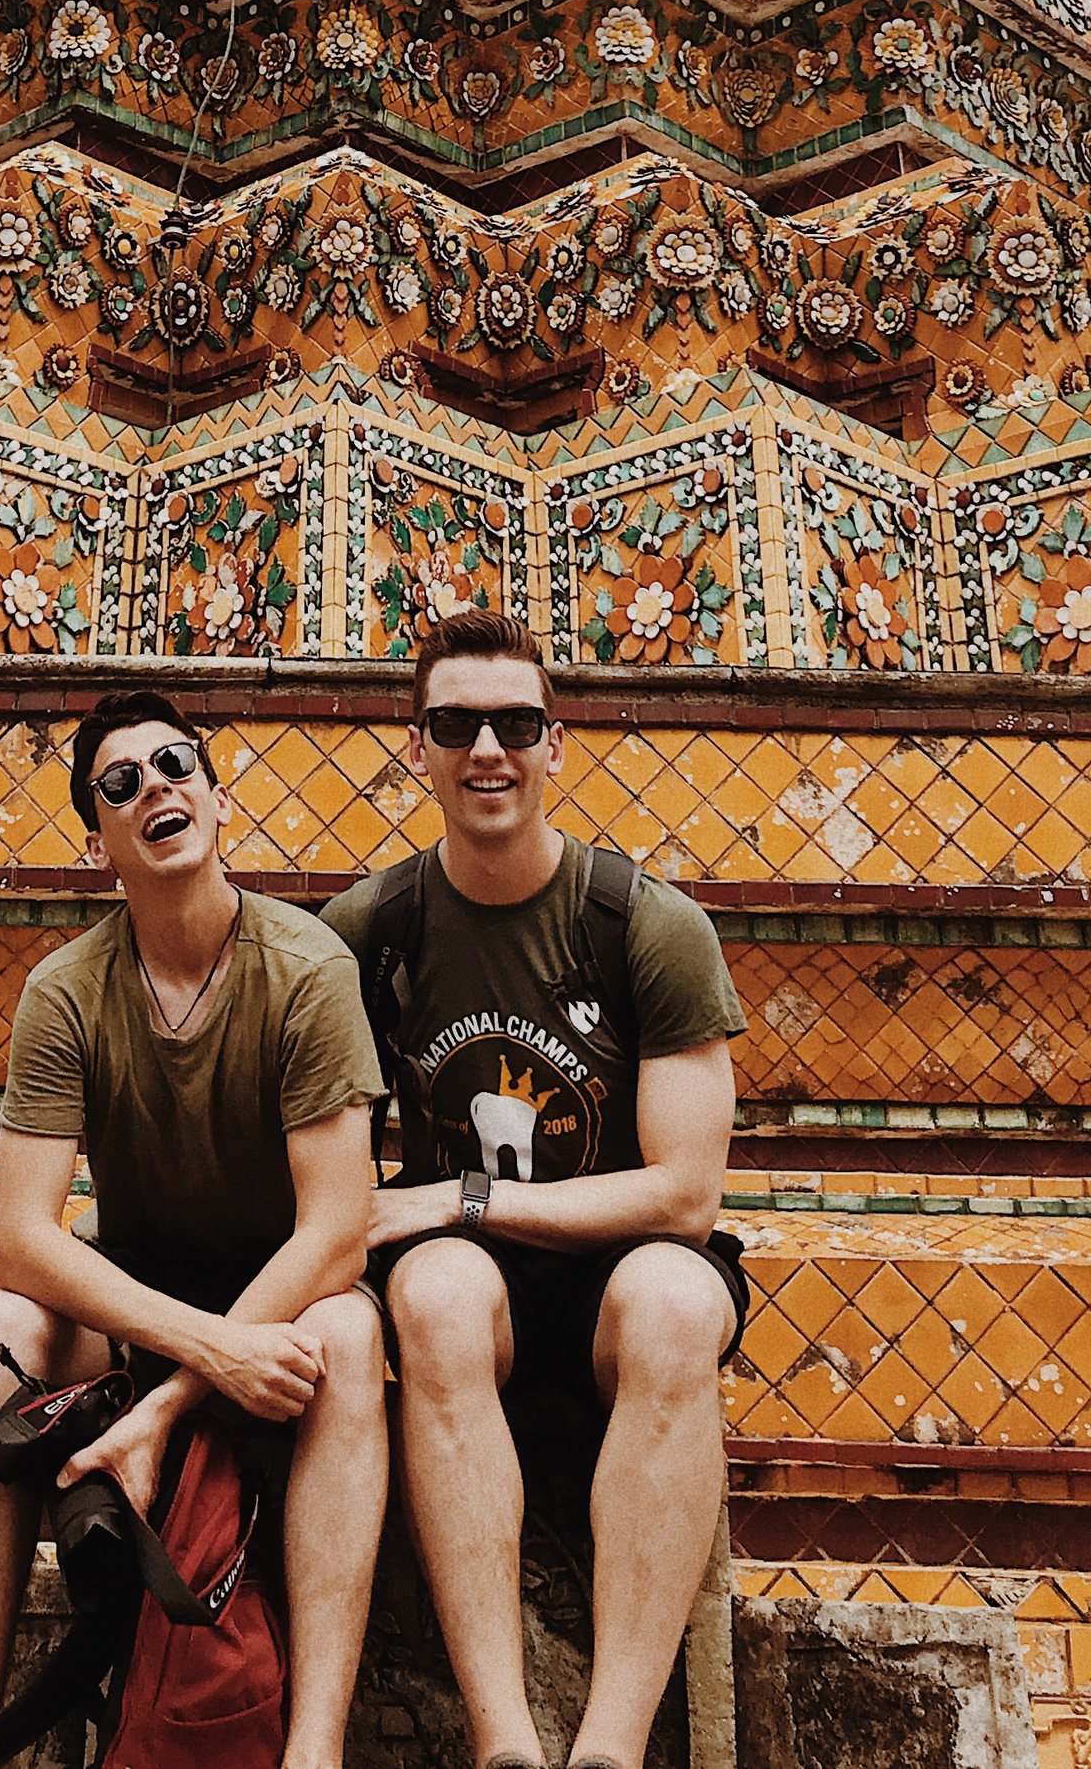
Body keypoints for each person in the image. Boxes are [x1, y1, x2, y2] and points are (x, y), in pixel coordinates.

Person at [324, 613, 748, 1769]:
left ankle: (606, 1749)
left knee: (673, 1299)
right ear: (418, 748)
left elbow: (685, 1199)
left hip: (617, 1275)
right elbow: (322, 1169)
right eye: (455, 725)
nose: (486, 752)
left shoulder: (642, 925)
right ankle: (504, 1745)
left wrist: (457, 1197)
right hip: (471, 1298)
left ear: (556, 743)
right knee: (438, 1294)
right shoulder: (371, 932)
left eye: (513, 723)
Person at [0, 688, 389, 1769]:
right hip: (143, 1313)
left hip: (284, 1310)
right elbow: (22, 1237)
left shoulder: (307, 969)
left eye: (176, 766)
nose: (156, 790)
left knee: (355, 1335)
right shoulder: (66, 993)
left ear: (218, 798)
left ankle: (312, 1751)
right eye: (121, 783)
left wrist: (196, 1385)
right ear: (99, 838)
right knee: (3, 1324)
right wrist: (198, 1349)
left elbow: (337, 1232)